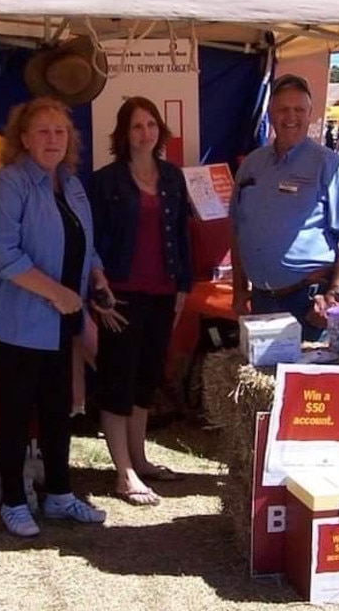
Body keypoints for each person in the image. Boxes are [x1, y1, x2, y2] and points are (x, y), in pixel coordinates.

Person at [0, 96, 122, 537]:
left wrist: (97, 277)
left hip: (63, 320)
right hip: (18, 323)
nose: (53, 139)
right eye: (42, 131)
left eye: (60, 132)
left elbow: (86, 243)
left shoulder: (71, 184)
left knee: (59, 410)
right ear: (23, 138)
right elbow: (4, 256)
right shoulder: (6, 186)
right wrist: (57, 294)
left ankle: (59, 494)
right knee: (17, 414)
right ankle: (15, 502)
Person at [89, 96, 192, 507]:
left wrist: (183, 285)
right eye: (136, 126)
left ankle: (140, 458)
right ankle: (123, 473)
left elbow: (181, 236)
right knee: (118, 380)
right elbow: (91, 244)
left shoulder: (171, 177)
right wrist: (97, 295)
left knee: (145, 379)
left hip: (163, 292)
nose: (145, 133)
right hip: (121, 296)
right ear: (123, 133)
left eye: (151, 124)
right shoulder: (105, 181)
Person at [230, 74, 339, 342]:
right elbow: (237, 229)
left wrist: (334, 296)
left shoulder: (328, 165)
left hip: (307, 304)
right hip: (261, 301)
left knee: (307, 383)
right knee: (265, 382)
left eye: (299, 109)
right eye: (283, 109)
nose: (290, 116)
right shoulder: (252, 165)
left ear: (310, 114)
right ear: (270, 113)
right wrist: (238, 288)